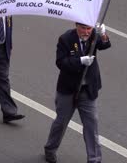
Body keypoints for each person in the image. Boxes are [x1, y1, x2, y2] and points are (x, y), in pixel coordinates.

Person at [44, 22, 111, 163]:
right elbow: (61, 62)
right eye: (83, 28)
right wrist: (80, 61)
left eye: (89, 28)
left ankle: (95, 159)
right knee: (61, 122)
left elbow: (105, 45)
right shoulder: (65, 39)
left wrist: (103, 34)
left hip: (87, 90)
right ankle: (50, 149)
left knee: (91, 125)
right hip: (68, 89)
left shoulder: (94, 35)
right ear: (76, 26)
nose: (86, 32)